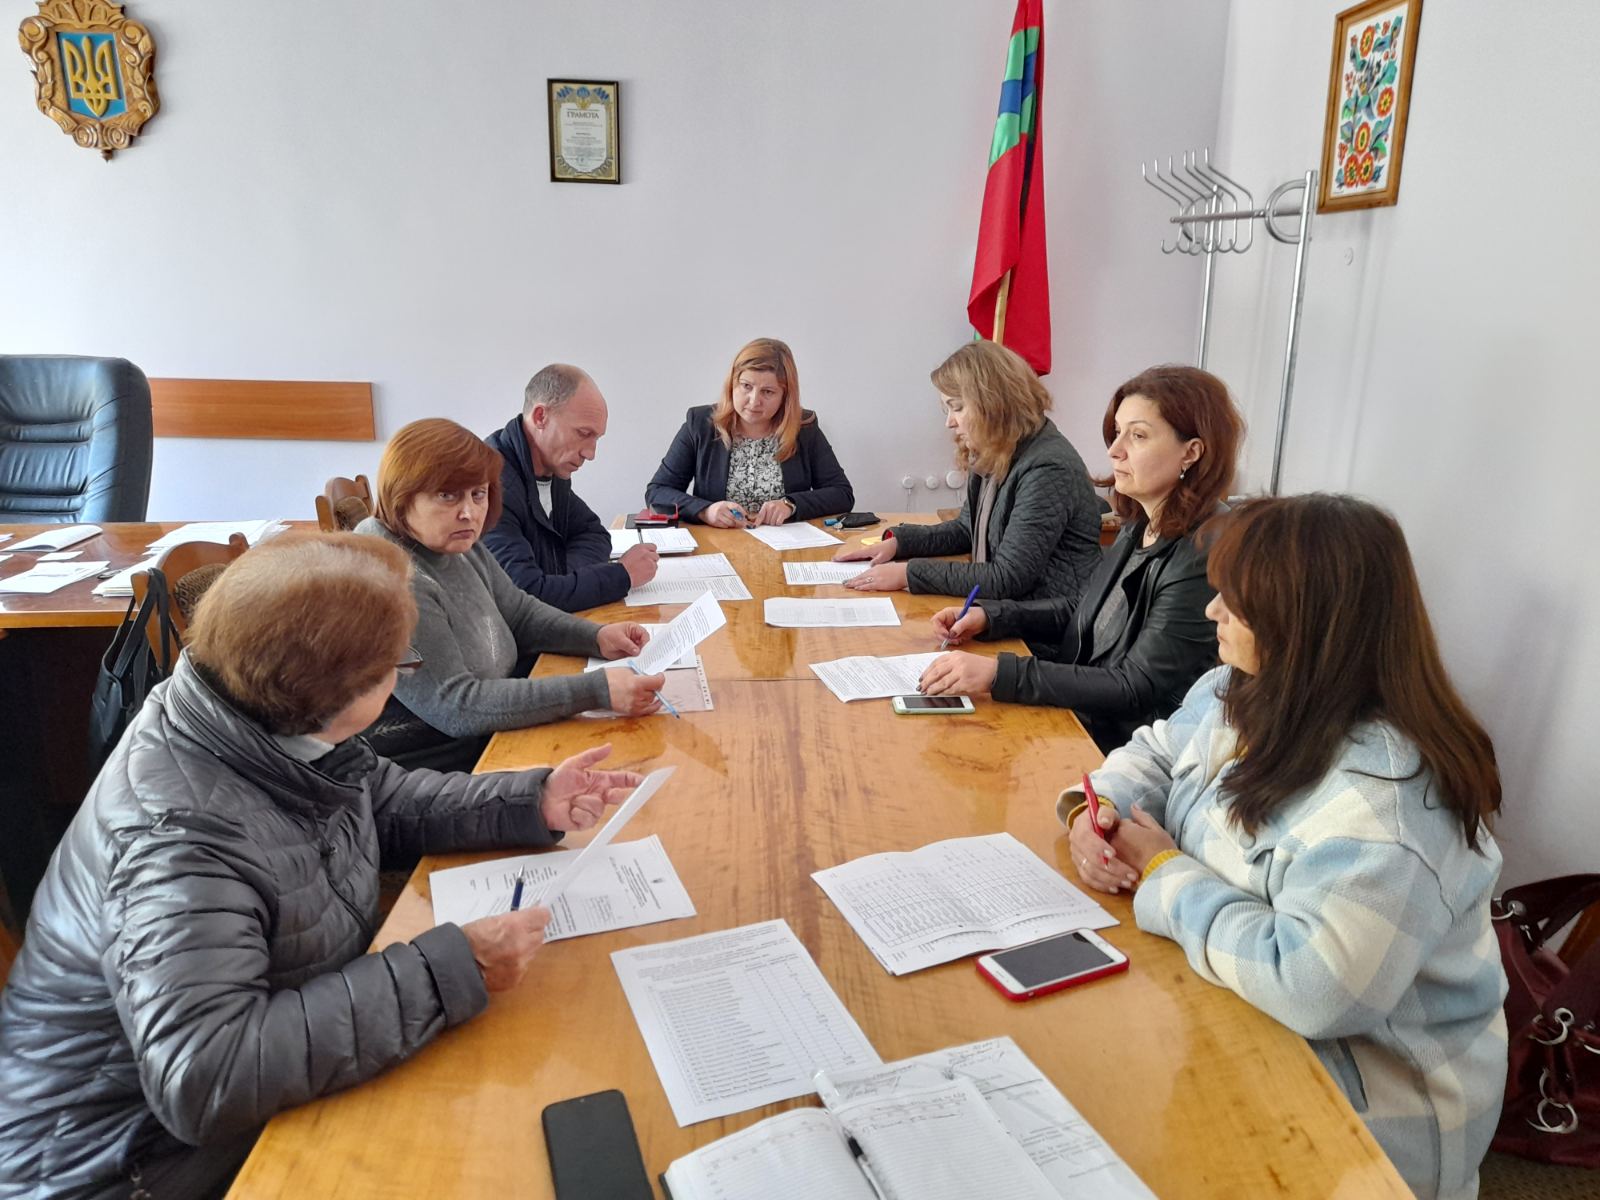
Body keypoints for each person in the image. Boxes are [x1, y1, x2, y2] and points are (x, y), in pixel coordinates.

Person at [0, 533, 645, 1199]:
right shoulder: (179, 839)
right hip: (128, 1171)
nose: (401, 676)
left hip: (229, 1114)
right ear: (329, 691)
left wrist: (530, 799)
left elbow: (381, 799)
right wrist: (453, 967)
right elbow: (209, 1076)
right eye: (399, 665)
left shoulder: (260, 718)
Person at [1063, 494, 1507, 1200]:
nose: (1213, 611)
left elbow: (1315, 987)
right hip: (1235, 1012)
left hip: (1370, 1118)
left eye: (1236, 604)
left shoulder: (1388, 804)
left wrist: (1163, 870)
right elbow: (1156, 750)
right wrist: (1097, 809)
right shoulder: (1237, 686)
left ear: (1306, 626)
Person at [919, 365, 1244, 750]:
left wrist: (999, 674)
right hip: (1082, 716)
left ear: (1191, 452)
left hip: (1125, 748)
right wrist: (992, 617)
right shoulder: (1143, 521)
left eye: (1138, 435)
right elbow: (1088, 608)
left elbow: (1135, 686)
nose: (1115, 449)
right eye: (1117, 431)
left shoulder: (1203, 549)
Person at [357, 418, 664, 772]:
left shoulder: (456, 541)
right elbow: (456, 706)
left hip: (494, 725)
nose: (469, 512)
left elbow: (519, 612)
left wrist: (596, 637)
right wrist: (596, 690)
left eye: (478, 494)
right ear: (401, 495)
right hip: (446, 765)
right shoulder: (392, 581)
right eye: (447, 495)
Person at [835, 340, 1100, 601]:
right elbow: (966, 530)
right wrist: (899, 543)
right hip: (1009, 612)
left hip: (1050, 622)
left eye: (958, 407)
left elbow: (1008, 577)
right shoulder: (997, 449)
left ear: (994, 402)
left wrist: (908, 574)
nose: (949, 422)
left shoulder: (1047, 467)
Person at [482, 363, 658, 613]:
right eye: (583, 433)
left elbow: (594, 534)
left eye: (596, 438)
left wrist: (559, 581)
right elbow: (526, 597)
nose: (590, 453)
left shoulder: (551, 470)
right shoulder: (489, 486)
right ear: (540, 417)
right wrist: (621, 576)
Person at [645, 337, 854, 527]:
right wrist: (705, 511)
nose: (754, 401)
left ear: (785, 396)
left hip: (788, 548)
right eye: (746, 386)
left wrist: (791, 505)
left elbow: (842, 494)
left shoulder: (804, 428)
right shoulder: (700, 424)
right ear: (732, 385)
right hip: (718, 546)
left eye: (768, 392)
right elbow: (658, 491)